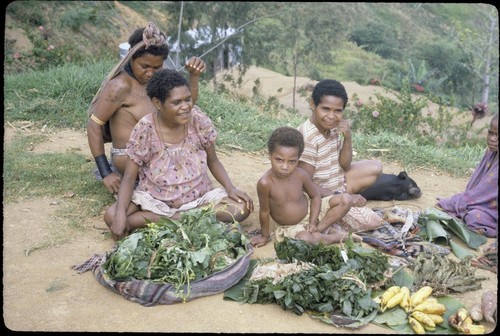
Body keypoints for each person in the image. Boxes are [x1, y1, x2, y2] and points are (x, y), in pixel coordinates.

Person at [104, 69, 253, 241]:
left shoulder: (198, 120)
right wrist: (121, 214)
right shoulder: (145, 128)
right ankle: (183, 220)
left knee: (242, 207)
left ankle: (167, 221)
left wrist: (230, 188)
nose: (185, 107)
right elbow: (129, 178)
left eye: (187, 99)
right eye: (176, 102)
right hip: (156, 199)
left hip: (198, 198)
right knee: (112, 216)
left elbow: (214, 161)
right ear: (158, 104)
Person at [87, 22, 206, 194]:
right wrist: (106, 172)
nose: (150, 73)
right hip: (130, 159)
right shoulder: (120, 86)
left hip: (158, 153)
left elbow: (184, 108)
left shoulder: (158, 81)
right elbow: (94, 125)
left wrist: (193, 78)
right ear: (131, 57)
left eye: (156, 67)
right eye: (144, 67)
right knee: (185, 188)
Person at [251, 126, 362, 248]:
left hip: (311, 213)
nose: (285, 166)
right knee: (304, 239)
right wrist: (265, 236)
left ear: (298, 159)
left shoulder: (301, 175)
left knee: (346, 199)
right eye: (279, 160)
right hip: (291, 227)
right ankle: (333, 237)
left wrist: (313, 222)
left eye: (292, 161)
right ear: (270, 156)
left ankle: (319, 230)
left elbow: (315, 196)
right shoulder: (265, 183)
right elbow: (264, 211)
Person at [297, 79, 383, 232]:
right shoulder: (308, 137)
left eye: (337, 111)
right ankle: (331, 216)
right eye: (326, 109)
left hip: (336, 183)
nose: (331, 116)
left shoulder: (332, 128)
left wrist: (347, 137)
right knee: (374, 221)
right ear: (312, 105)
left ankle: (343, 201)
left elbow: (345, 165)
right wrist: (338, 195)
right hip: (317, 195)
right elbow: (305, 184)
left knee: (376, 167)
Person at [436, 113, 498, 237]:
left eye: (498, 136)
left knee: (473, 217)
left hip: (494, 212)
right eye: (491, 133)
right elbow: (478, 187)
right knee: (466, 209)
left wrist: (461, 201)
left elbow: (484, 193)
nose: (492, 139)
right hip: (483, 204)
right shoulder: (491, 153)